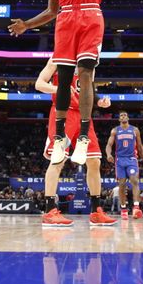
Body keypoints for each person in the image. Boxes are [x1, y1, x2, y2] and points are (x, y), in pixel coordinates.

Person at [8, 0, 141, 167]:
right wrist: (27, 24)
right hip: (66, 18)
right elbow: (51, 11)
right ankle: (59, 138)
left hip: (90, 14)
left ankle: (82, 136)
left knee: (86, 74)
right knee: (65, 79)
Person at [34, 58, 115, 227]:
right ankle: (50, 210)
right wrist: (59, 89)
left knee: (94, 161)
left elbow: (87, 88)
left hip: (84, 116)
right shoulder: (58, 57)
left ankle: (96, 211)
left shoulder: (89, 60)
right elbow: (39, 84)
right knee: (58, 159)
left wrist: (99, 100)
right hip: (63, 113)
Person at [105, 111, 143, 220]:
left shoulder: (135, 130)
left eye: (125, 115)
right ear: (119, 119)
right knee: (122, 184)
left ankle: (136, 207)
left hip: (132, 159)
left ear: (128, 117)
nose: (123, 116)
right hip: (119, 160)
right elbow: (109, 144)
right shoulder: (115, 131)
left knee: (134, 180)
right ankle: (124, 208)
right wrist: (108, 154)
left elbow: (140, 146)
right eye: (121, 115)